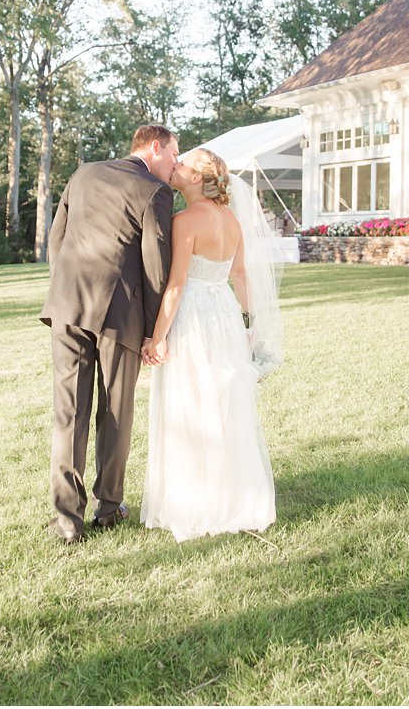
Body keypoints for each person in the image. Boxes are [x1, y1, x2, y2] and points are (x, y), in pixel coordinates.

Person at [39, 124, 177, 545]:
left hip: (67, 306)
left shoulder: (84, 173)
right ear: (155, 147)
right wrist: (155, 332)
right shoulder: (153, 190)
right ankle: (109, 507)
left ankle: (67, 520)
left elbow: (56, 240)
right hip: (119, 315)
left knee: (70, 412)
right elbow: (156, 269)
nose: (175, 166)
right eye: (174, 155)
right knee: (116, 411)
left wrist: (64, 289)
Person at [140, 148, 281, 542]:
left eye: (183, 164)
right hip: (224, 316)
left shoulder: (184, 221)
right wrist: (251, 327)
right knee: (223, 403)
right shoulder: (232, 220)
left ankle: (197, 502)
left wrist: (157, 337)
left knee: (192, 403)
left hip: (195, 318)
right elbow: (239, 276)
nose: (176, 167)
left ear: (199, 178)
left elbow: (177, 285)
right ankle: (231, 494)